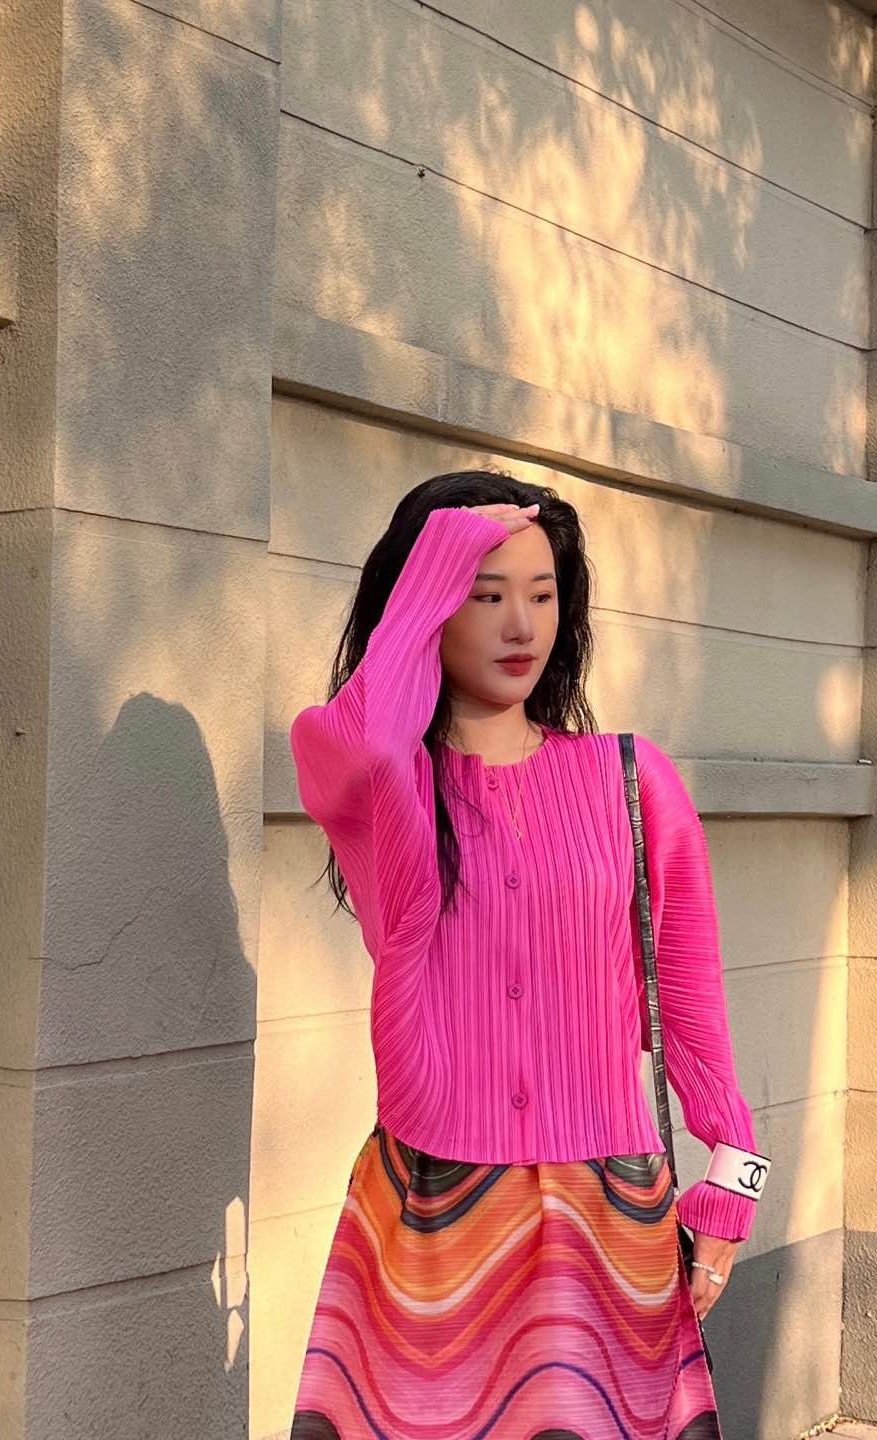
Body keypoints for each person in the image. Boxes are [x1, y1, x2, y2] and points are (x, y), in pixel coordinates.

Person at [285, 470, 770, 1440]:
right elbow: (367, 739)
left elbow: (690, 1000)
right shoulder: (386, 787)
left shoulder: (631, 779)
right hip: (428, 1212)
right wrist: (434, 561)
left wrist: (734, 1181)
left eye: (542, 596)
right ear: (424, 603)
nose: (520, 626)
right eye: (483, 593)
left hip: (605, 1215)